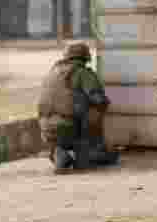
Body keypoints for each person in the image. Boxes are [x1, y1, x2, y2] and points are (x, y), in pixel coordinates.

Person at [37, 42, 118, 171]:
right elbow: (98, 98)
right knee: (96, 108)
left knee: (63, 131)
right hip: (69, 128)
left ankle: (60, 154)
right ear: (85, 57)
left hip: (45, 130)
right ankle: (87, 153)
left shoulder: (52, 72)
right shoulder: (82, 73)